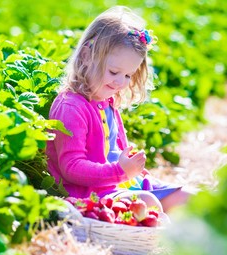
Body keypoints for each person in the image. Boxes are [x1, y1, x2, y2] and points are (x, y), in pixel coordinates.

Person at [46, 6, 190, 213]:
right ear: (87, 55)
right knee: (148, 205)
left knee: (194, 200)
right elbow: (72, 167)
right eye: (114, 71)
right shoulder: (71, 107)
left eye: (128, 75)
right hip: (93, 195)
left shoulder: (107, 101)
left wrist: (133, 171)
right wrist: (120, 171)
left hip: (124, 186)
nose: (121, 82)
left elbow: (114, 152)